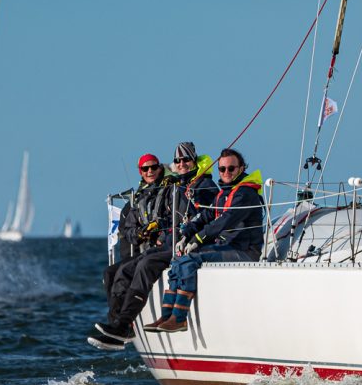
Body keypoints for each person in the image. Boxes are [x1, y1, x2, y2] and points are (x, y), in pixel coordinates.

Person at [88, 142, 217, 351]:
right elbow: (134, 226)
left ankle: (122, 325)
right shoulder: (167, 189)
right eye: (178, 160)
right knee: (117, 271)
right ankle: (119, 327)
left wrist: (175, 236)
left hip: (183, 244)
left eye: (186, 160)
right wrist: (147, 233)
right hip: (163, 244)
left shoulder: (197, 186)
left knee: (144, 265)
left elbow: (203, 216)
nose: (182, 163)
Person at [150, 148, 264, 333]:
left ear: (241, 168)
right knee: (178, 260)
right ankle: (166, 315)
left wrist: (198, 238)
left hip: (245, 251)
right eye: (222, 169)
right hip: (226, 246)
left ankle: (179, 319)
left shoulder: (245, 194)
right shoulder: (223, 194)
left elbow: (225, 220)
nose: (226, 173)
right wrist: (186, 234)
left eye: (231, 168)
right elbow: (206, 216)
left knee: (189, 260)